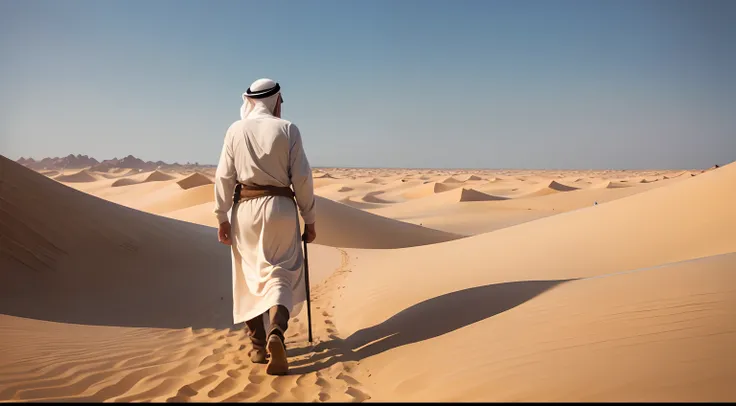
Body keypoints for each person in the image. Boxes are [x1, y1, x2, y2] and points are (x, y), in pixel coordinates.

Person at [213, 78, 317, 375]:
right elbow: (303, 178)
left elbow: (223, 177)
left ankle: (258, 347)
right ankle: (277, 333)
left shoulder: (235, 130)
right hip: (281, 209)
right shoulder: (288, 130)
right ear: (275, 101)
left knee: (248, 275)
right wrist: (310, 219)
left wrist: (221, 216)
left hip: (244, 209)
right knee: (281, 272)